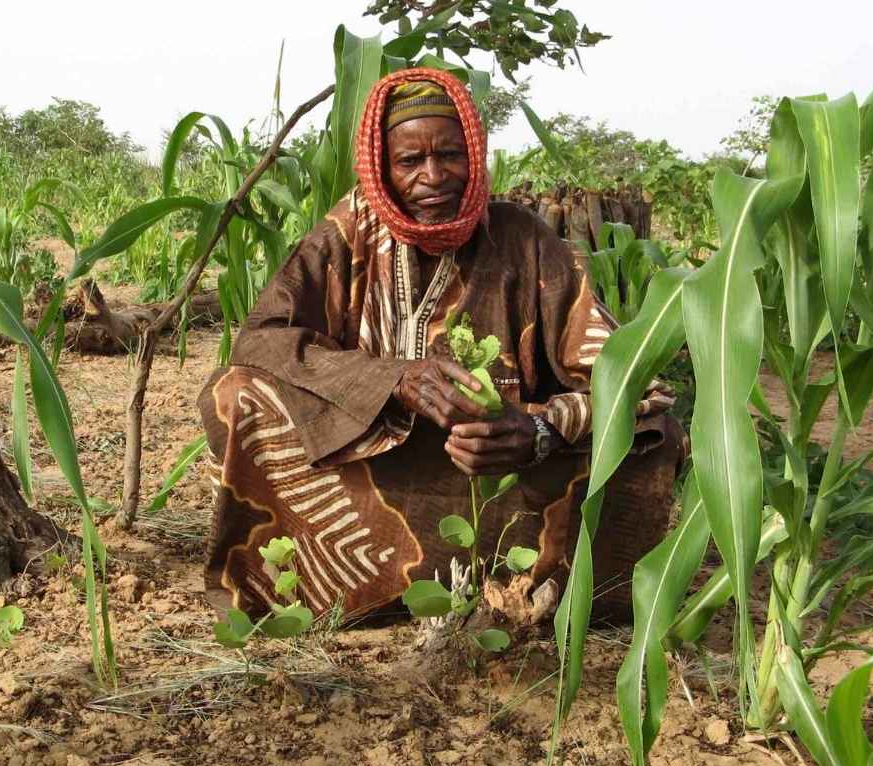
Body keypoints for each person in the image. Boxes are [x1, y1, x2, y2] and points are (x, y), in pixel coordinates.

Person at [197, 68, 684, 625]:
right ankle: (329, 585)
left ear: (474, 155)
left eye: (450, 155)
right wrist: (391, 380)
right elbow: (261, 339)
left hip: (499, 468)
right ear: (382, 166)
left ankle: (547, 590)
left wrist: (541, 431)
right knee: (236, 395)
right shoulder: (350, 231)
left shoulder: (524, 240)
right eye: (409, 161)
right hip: (372, 458)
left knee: (654, 436)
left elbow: (630, 375)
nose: (433, 176)